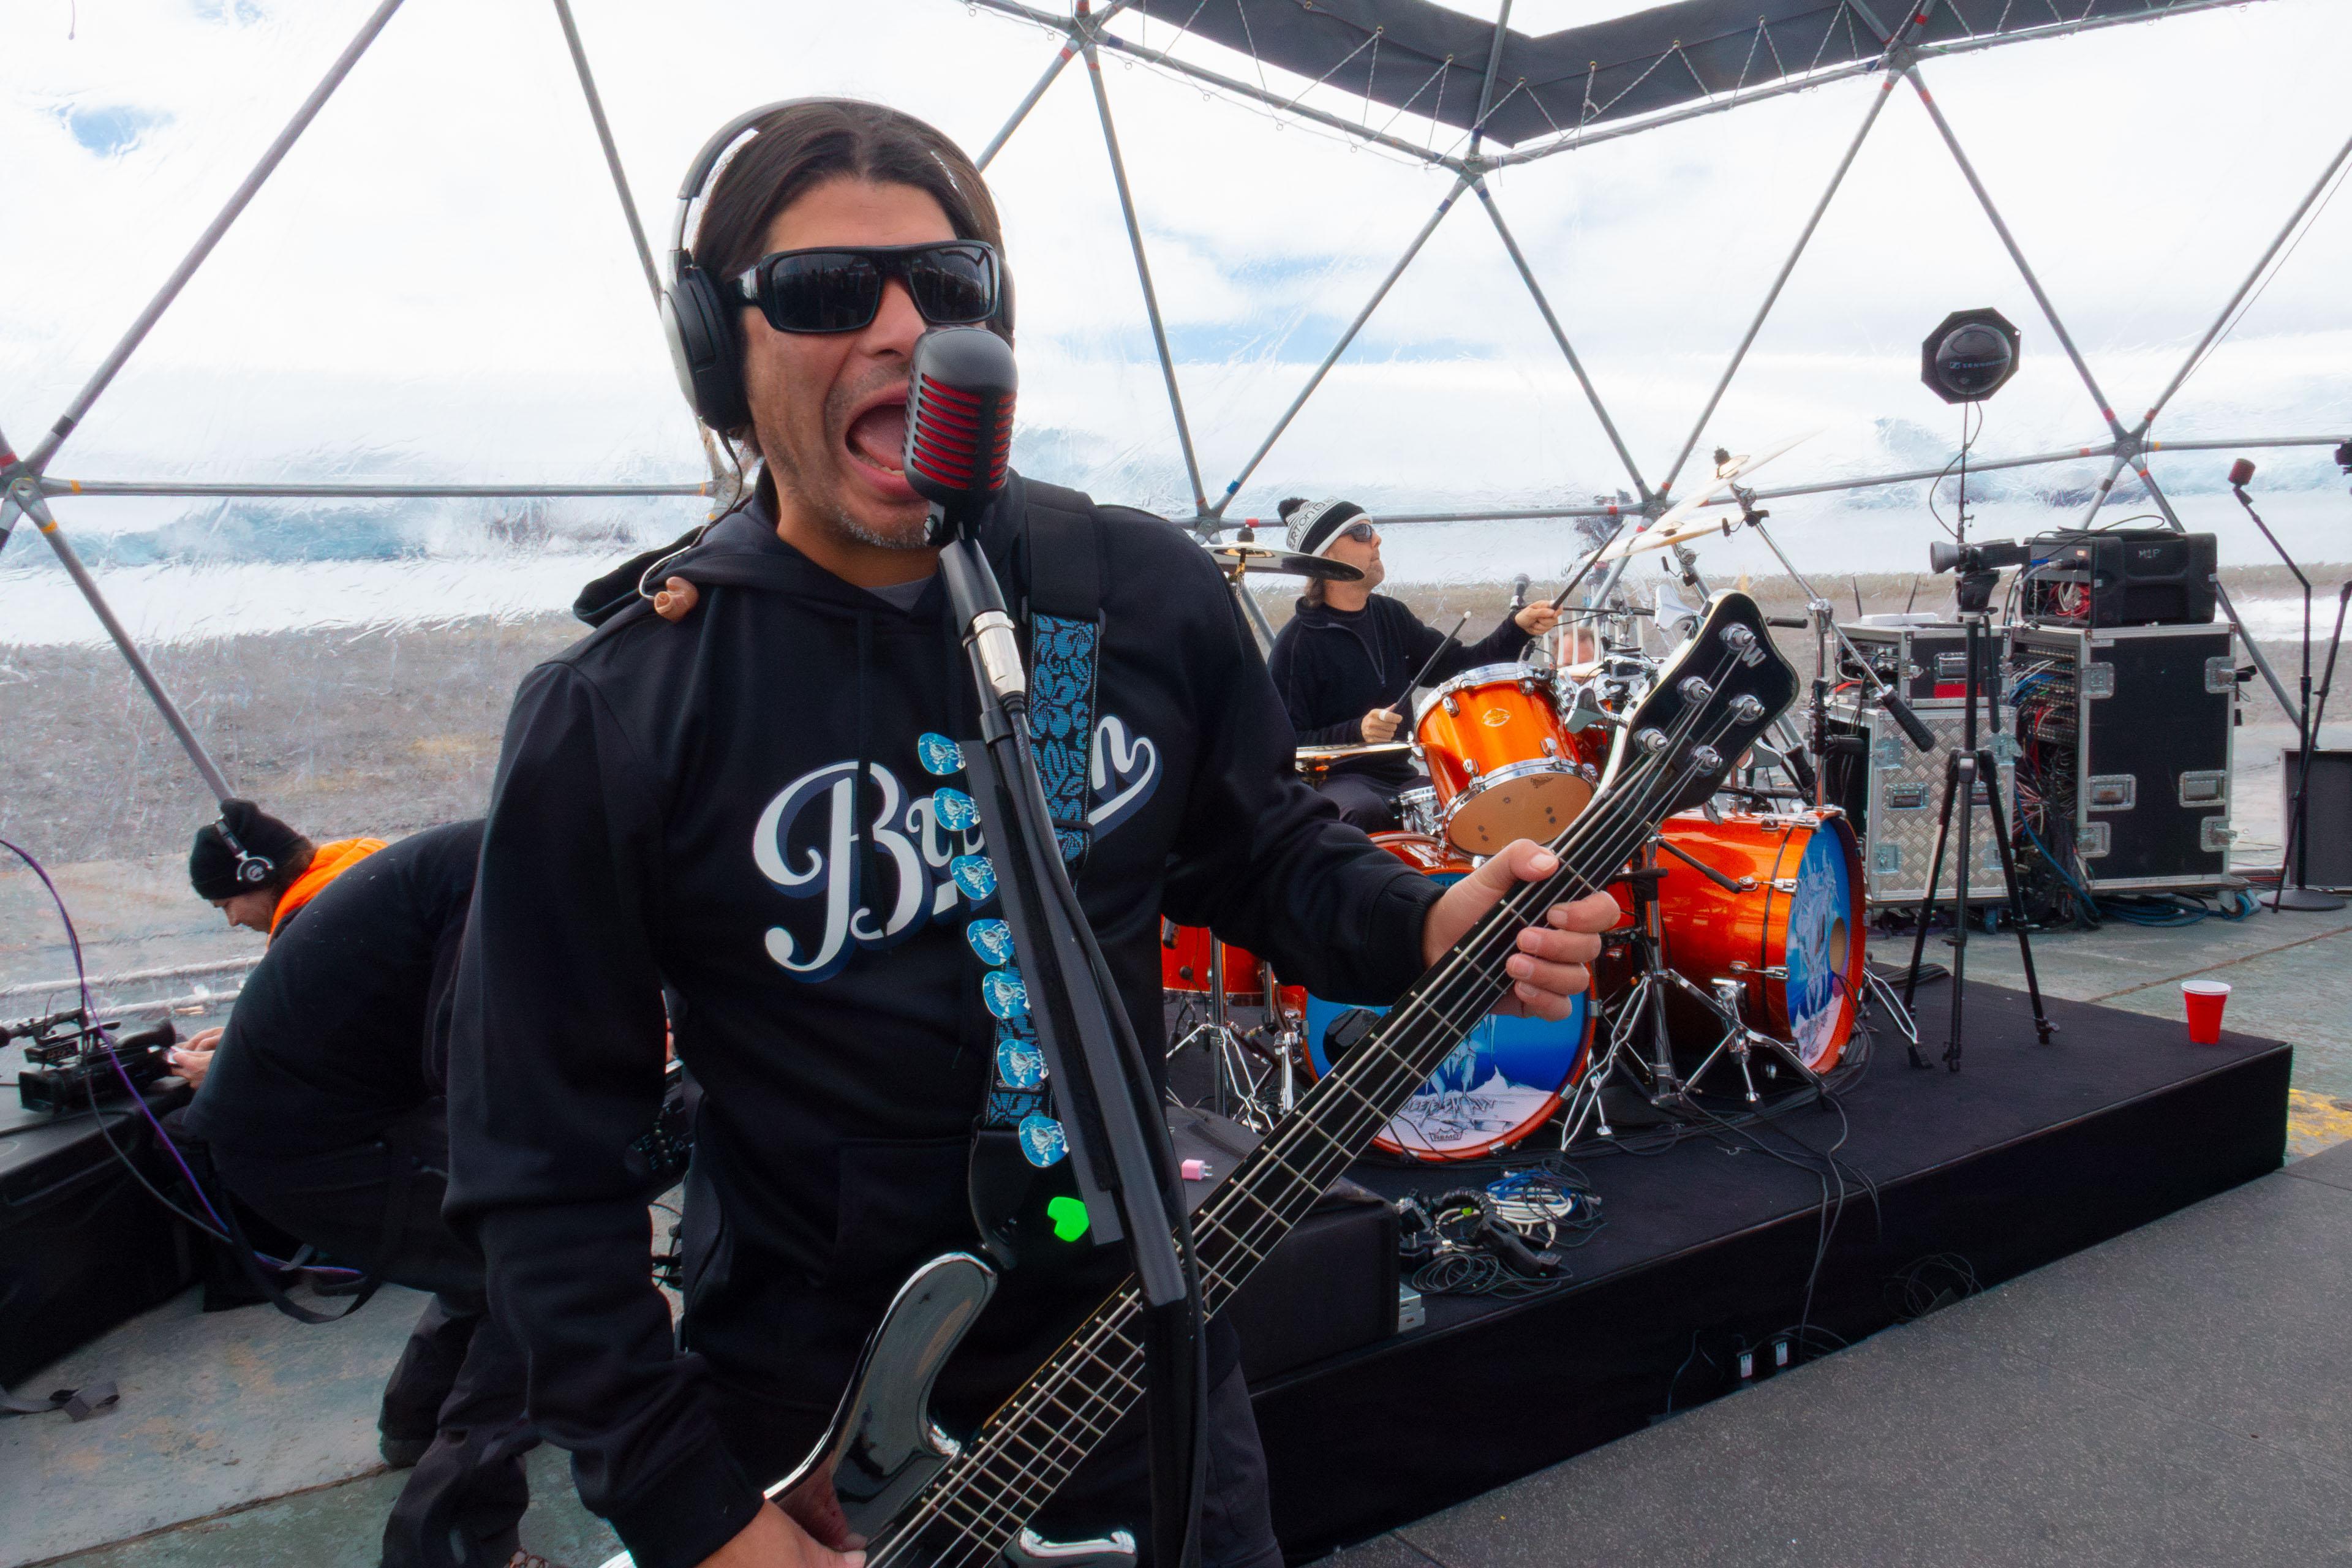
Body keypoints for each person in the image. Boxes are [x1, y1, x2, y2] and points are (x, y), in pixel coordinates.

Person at [444, 98, 1617, 1568]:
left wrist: (1422, 915)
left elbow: (1256, 851)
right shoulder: (626, 706)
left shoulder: (1117, 594)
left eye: (948, 286)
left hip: (1136, 1364)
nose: (901, 329)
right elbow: (542, 1163)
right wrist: (698, 1514)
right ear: (716, 356)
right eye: (823, 291)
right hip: (816, 1441)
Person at [179, 820, 540, 1568]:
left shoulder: (474, 856)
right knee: (537, 1267)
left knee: (479, 1245)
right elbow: (463, 1053)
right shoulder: (499, 871)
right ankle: (455, 1548)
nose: (232, 917)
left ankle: (416, 1424)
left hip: (296, 1125)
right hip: (310, 1142)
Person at [1265, 499, 1561, 832]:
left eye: (1373, 530)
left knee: (1478, 805)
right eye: (1361, 532)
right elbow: (1284, 744)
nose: (1377, 540)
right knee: (1364, 812)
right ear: (1326, 555)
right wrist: (1357, 731)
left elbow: (1460, 668)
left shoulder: (1391, 615)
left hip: (1400, 774)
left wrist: (1517, 628)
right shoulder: (1296, 644)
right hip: (1336, 781)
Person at [168, 801, 391, 1090]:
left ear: (256, 873)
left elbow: (356, 1057)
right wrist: (253, 1041)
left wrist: (233, 1071)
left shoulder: (319, 933)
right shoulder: (362, 888)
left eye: (226, 905)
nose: (233, 921)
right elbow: (338, 1028)